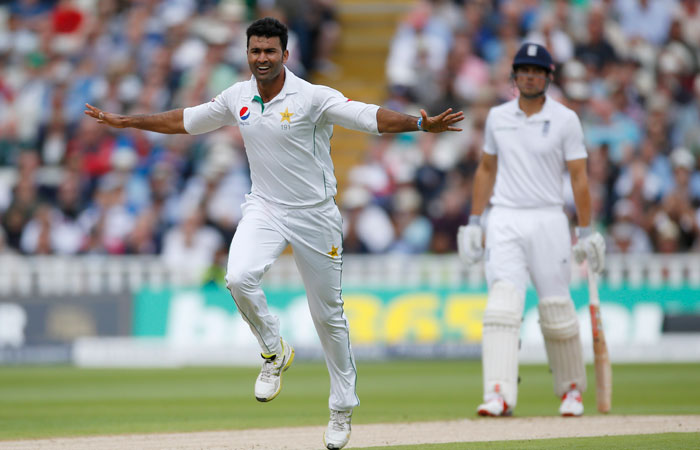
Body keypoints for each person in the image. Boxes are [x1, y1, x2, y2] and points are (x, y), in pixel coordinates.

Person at [85, 17, 463, 450]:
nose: (261, 59)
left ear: (285, 54)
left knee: (329, 317)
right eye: (255, 51)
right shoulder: (238, 96)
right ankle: (273, 349)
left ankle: (341, 408)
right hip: (264, 207)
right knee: (237, 277)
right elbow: (185, 120)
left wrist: (418, 125)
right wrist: (127, 121)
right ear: (247, 54)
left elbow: (366, 116)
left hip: (315, 215)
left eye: (269, 51)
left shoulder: (312, 97)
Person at [457, 43, 605, 418]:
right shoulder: (498, 117)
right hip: (504, 217)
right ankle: (498, 393)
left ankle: (571, 391)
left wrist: (586, 232)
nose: (530, 76)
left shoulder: (566, 119)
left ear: (548, 76)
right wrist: (475, 222)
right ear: (514, 76)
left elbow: (579, 178)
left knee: (556, 307)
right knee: (502, 307)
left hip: (549, 218)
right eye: (523, 70)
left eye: (537, 71)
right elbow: (487, 169)